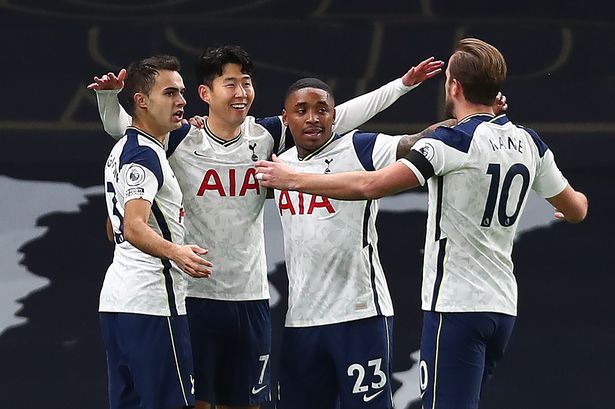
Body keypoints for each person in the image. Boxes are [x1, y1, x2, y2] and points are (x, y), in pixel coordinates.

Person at [88, 45, 444, 409]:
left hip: (250, 296)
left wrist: (401, 85)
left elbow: (331, 116)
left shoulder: (266, 136)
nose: (241, 92)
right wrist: (107, 101)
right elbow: (129, 129)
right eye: (230, 84)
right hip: (195, 295)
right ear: (206, 93)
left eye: (246, 82)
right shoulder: (178, 138)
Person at [255, 38, 588, 409]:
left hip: (454, 304)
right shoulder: (530, 142)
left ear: (454, 86)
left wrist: (294, 179)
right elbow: (577, 208)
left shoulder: (449, 142)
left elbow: (372, 184)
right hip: (502, 306)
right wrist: (566, 210)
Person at [99, 55, 212, 409]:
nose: (182, 101)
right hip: (153, 305)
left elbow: (113, 226)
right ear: (141, 101)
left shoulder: (122, 149)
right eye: (170, 93)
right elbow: (132, 227)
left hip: (117, 304)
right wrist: (177, 252)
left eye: (181, 92)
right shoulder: (145, 156)